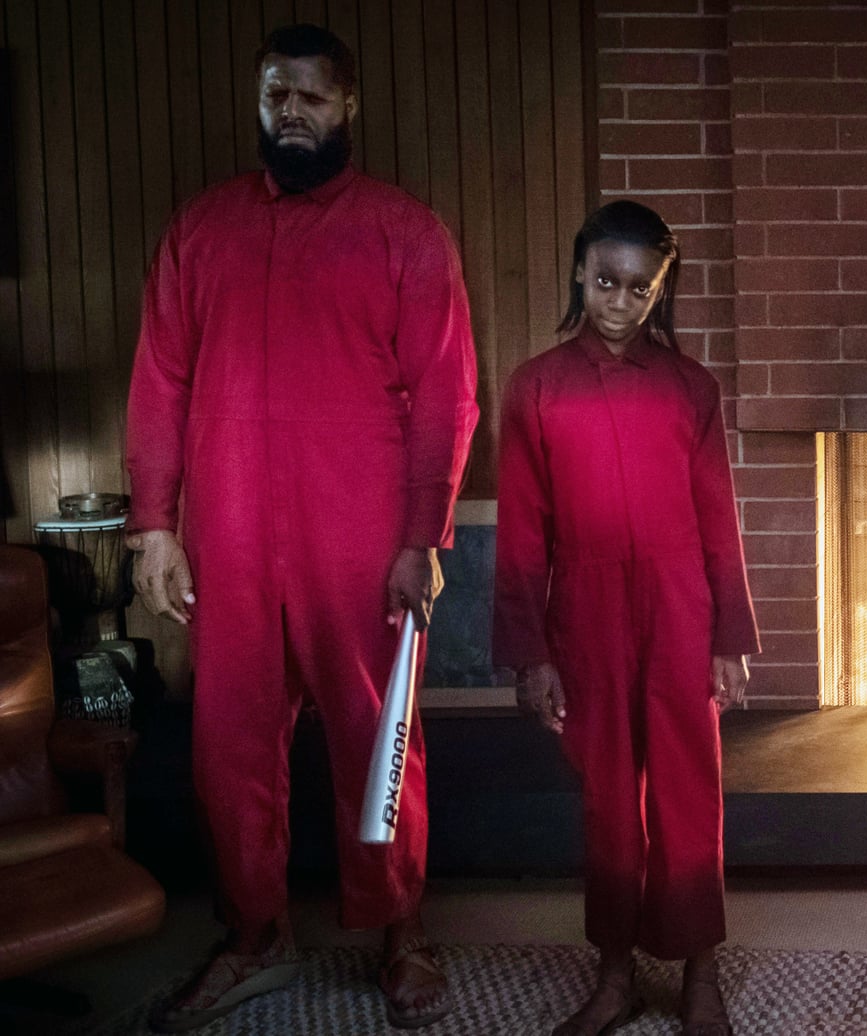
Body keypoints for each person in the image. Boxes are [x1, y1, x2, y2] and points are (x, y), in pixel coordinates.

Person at [125, 23, 476, 1032]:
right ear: (259, 101)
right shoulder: (201, 232)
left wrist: (424, 536)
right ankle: (254, 934)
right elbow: (160, 381)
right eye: (276, 95)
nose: (290, 112)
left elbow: (448, 395)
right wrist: (154, 524)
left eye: (311, 97)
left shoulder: (404, 233)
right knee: (227, 743)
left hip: (361, 536)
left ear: (346, 106)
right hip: (226, 529)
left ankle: (398, 927)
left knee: (380, 735)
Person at [494, 200, 759, 1036]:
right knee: (609, 795)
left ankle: (700, 971)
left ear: (661, 289)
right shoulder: (535, 387)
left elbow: (720, 518)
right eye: (606, 281)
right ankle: (613, 973)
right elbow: (522, 530)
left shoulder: (692, 389)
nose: (619, 300)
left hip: (681, 605)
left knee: (690, 788)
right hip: (587, 608)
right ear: (581, 272)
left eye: (639, 288)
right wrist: (530, 652)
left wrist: (730, 638)